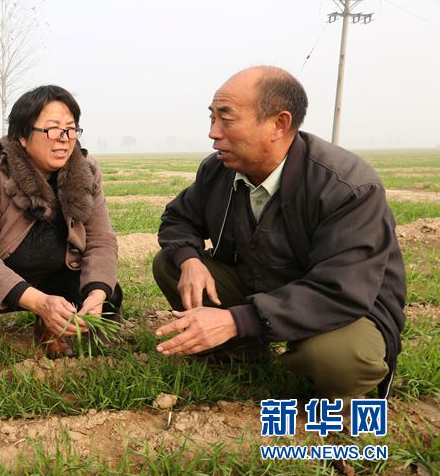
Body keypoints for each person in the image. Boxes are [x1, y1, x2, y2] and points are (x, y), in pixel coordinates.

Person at [152, 66, 406, 400]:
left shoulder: (346, 187)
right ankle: (241, 351)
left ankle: (345, 396)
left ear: (279, 124)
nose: (213, 133)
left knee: (335, 357)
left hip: (343, 307)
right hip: (265, 284)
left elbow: (340, 291)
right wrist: (189, 260)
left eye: (226, 119)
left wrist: (234, 320)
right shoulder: (218, 170)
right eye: (211, 118)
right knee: (169, 263)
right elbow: (178, 218)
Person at [0, 85, 121, 369]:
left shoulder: (85, 170)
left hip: (57, 274)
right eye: (52, 130)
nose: (64, 140)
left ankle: (48, 326)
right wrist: (40, 302)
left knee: (109, 295)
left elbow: (101, 239)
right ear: (23, 137)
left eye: (70, 130)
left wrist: (97, 295)